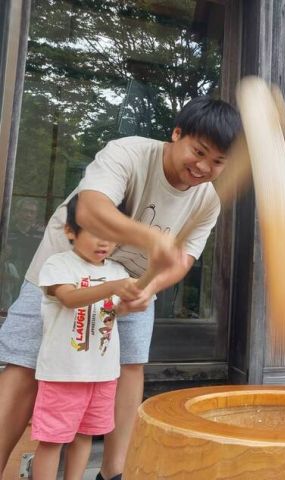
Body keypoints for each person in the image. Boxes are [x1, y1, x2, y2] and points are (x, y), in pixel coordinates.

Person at [0, 96, 242, 480]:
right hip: (67, 266)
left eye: (217, 162)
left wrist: (152, 288)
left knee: (127, 367)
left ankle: (112, 472)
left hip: (131, 285)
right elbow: (90, 209)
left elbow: (184, 260)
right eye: (198, 152)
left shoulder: (207, 202)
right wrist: (150, 239)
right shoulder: (128, 153)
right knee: (26, 364)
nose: (202, 167)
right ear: (176, 134)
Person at [31, 195, 136, 480]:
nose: (104, 242)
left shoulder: (117, 270)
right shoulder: (58, 265)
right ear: (70, 230)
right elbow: (69, 299)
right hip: (62, 375)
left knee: (85, 436)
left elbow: (117, 311)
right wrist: (113, 287)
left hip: (102, 375)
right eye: (95, 232)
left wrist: (134, 301)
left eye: (111, 234)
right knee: (52, 440)